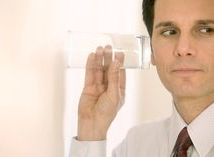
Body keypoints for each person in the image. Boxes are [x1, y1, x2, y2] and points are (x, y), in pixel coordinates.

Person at [69, 0, 214, 156]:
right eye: (169, 32)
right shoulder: (134, 146)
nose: (183, 49)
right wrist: (92, 131)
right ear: (151, 50)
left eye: (205, 30)